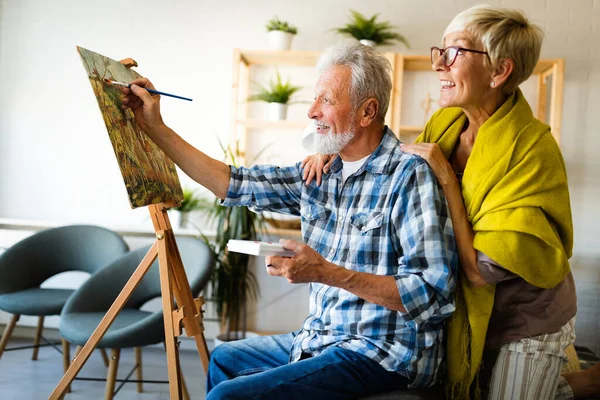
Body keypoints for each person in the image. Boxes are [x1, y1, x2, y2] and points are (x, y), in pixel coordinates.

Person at [121, 43, 457, 399]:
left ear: (367, 111)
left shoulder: (408, 176)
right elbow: (233, 182)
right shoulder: (321, 171)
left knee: (227, 396)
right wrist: (154, 127)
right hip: (323, 337)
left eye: (326, 100)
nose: (312, 112)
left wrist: (327, 273)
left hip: (383, 350)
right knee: (222, 359)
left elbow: (431, 292)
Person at [303, 5, 600, 400]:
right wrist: (336, 150)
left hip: (525, 317)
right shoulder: (445, 124)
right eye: (440, 51)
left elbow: (478, 272)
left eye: (455, 52)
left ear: (499, 71)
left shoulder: (532, 150)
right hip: (468, 312)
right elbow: (393, 164)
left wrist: (447, 177)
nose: (439, 65)